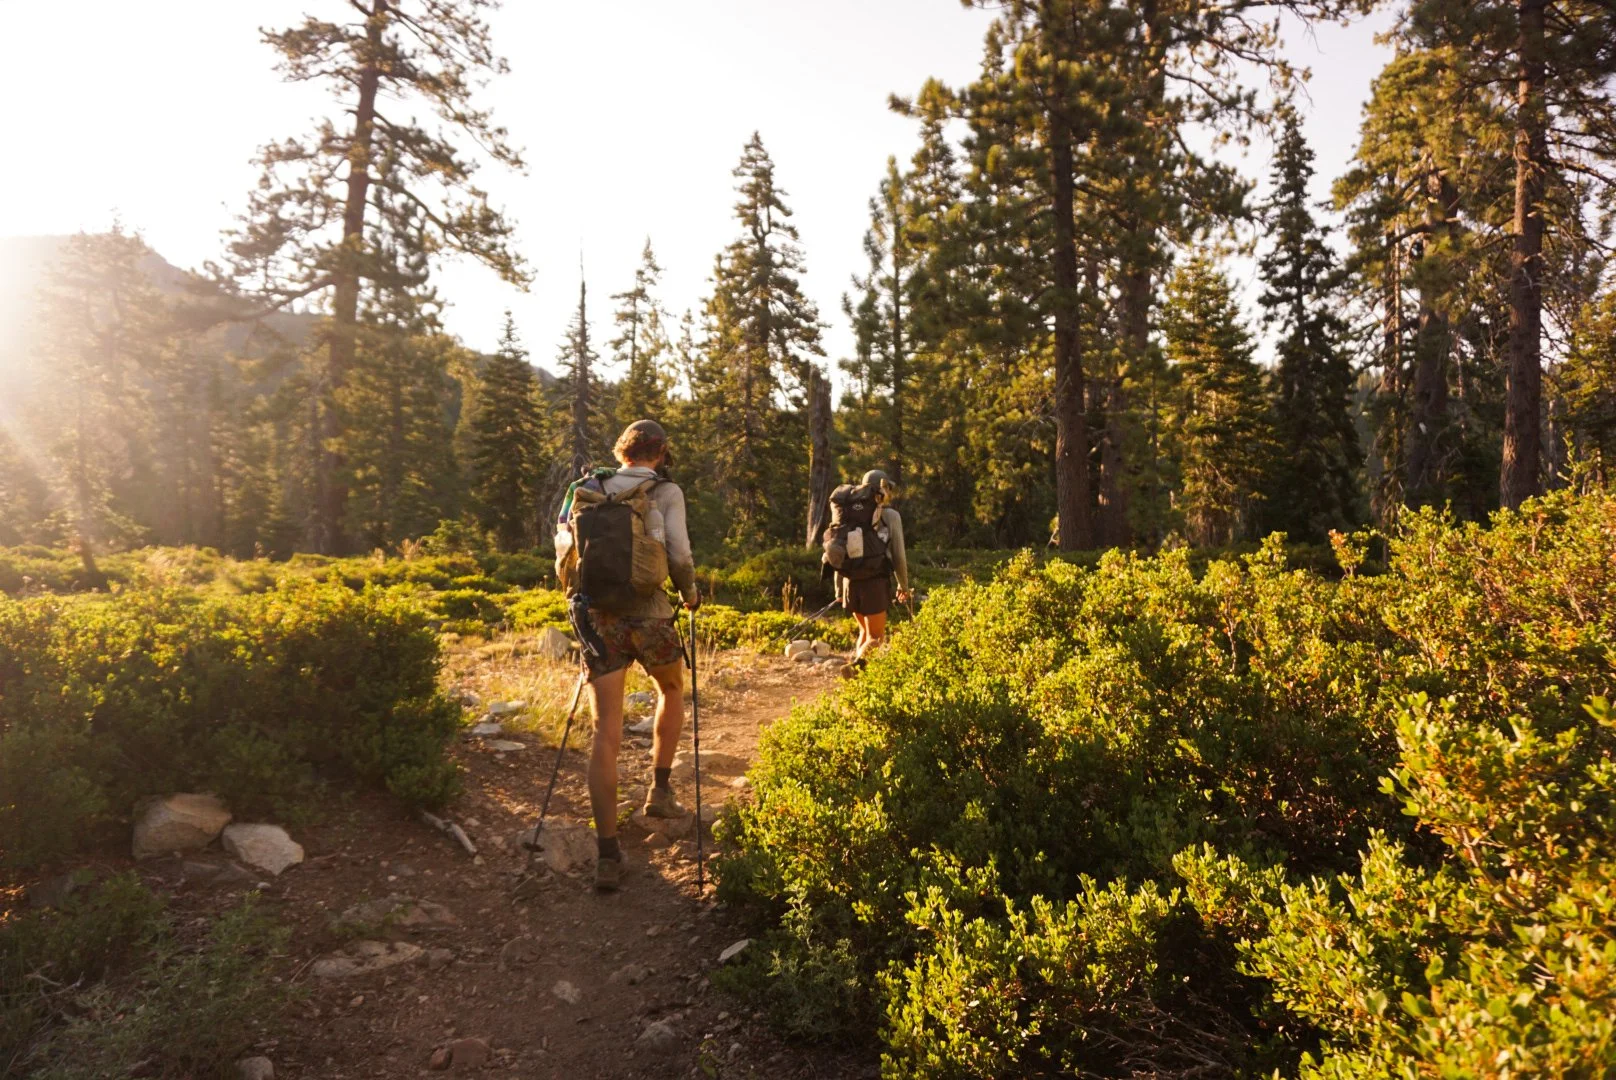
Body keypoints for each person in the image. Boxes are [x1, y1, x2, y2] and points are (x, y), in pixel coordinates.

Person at [557, 420, 699, 892]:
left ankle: (608, 854)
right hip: (653, 615)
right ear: (660, 453)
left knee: (606, 733)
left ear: (622, 451)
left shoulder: (585, 488)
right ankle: (659, 790)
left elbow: (564, 549)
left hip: (600, 622)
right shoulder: (666, 490)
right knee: (672, 687)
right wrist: (691, 594)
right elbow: (678, 554)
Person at [836, 469, 910, 677]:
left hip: (850, 582)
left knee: (864, 633)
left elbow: (839, 549)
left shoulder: (849, 513)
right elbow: (899, 556)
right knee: (877, 638)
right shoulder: (890, 516)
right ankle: (856, 669)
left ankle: (858, 680)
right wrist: (904, 586)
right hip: (874, 583)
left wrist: (838, 588)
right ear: (883, 489)